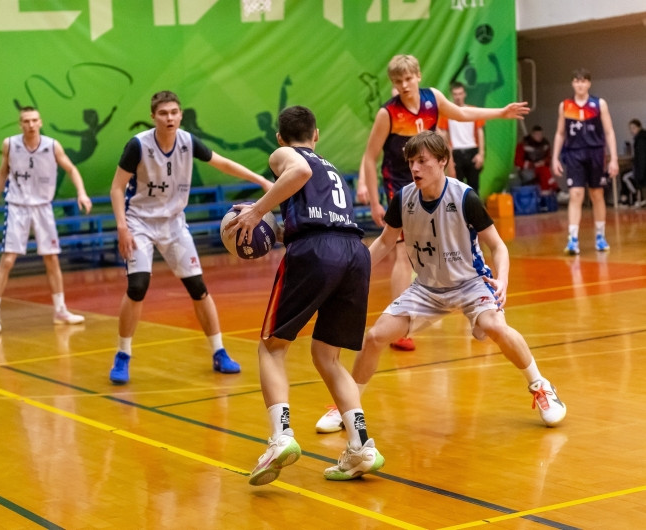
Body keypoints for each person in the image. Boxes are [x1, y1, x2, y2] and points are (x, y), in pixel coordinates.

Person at [317, 131, 567, 434]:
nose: (415, 168)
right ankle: (348, 406)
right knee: (374, 337)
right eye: (411, 162)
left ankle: (541, 386)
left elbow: (498, 246)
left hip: (471, 282)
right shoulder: (404, 198)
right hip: (427, 289)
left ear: (442, 161)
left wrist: (502, 279)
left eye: (422, 161)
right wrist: (354, 273)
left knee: (495, 327)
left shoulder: (464, 197)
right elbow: (385, 242)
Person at [225, 105, 384, 485]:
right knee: (327, 356)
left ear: (281, 138)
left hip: (317, 251)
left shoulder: (284, 155)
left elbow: (298, 171)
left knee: (271, 347)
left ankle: (281, 438)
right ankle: (361, 446)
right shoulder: (331, 168)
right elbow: (319, 216)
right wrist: (277, 230)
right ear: (316, 135)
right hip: (355, 253)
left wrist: (256, 212)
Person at [357, 54, 529, 356]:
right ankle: (402, 321)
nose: (404, 85)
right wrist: (372, 199)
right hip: (402, 185)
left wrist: (500, 113)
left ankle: (471, 300)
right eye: (398, 81)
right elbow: (370, 157)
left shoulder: (432, 99)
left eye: (408, 79)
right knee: (402, 251)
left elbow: (461, 113)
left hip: (436, 183)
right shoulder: (388, 113)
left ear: (418, 76)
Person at [108, 90, 272, 383]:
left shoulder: (187, 141)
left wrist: (260, 179)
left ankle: (219, 351)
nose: (169, 118)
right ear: (153, 117)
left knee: (198, 287)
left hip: (173, 224)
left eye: (174, 112)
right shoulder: (138, 145)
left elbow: (222, 163)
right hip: (139, 223)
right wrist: (122, 226)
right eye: (163, 113)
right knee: (137, 286)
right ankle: (123, 355)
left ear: (180, 115)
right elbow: (117, 188)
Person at [0, 106, 92, 333]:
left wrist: (82, 193)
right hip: (17, 206)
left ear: (40, 122)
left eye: (34, 120)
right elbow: (2, 173)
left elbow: (71, 169)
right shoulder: (10, 144)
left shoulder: (52, 146)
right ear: (20, 124)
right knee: (8, 260)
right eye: (26, 121)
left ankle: (60, 310)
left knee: (52, 259)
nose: (30, 125)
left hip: (43, 207)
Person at [551, 68, 618, 255]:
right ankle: (573, 239)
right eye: (576, 81)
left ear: (589, 83)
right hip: (574, 153)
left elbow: (609, 132)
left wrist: (613, 158)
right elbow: (560, 133)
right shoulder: (565, 105)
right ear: (573, 83)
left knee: (597, 194)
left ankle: (600, 236)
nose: (580, 84)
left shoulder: (599, 104)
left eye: (583, 81)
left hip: (596, 153)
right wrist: (555, 157)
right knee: (576, 194)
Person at [438, 82, 485, 193]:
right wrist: (448, 158)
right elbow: (443, 136)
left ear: (464, 94)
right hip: (455, 153)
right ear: (451, 95)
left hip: (472, 151)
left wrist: (481, 154)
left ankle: (474, 205)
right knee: (456, 189)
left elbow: (480, 132)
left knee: (474, 188)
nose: (458, 97)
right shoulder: (447, 113)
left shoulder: (473, 110)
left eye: (460, 93)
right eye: (455, 94)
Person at [514, 125, 558, 192]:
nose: (539, 136)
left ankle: (548, 191)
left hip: (542, 168)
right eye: (537, 134)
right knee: (544, 172)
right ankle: (555, 190)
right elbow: (517, 161)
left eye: (540, 134)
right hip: (527, 170)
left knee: (544, 171)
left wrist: (543, 162)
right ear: (532, 134)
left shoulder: (545, 144)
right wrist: (532, 165)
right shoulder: (524, 144)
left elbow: (548, 157)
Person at [620, 119, 646, 207]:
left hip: (641, 170)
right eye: (630, 128)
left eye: (634, 128)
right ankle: (627, 198)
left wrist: (640, 173)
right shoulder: (640, 138)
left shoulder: (641, 140)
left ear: (639, 127)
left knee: (624, 177)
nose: (632, 130)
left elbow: (642, 158)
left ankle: (636, 197)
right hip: (640, 168)